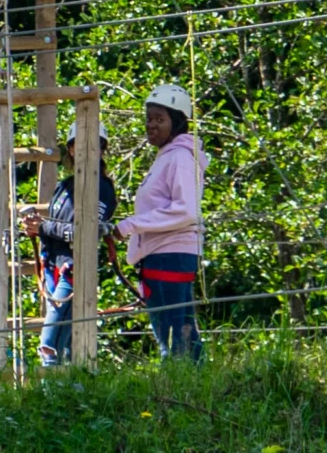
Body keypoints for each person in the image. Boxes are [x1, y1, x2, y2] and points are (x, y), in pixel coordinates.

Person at [17, 124, 121, 369]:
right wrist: (35, 227)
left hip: (73, 269)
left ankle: (52, 397)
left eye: (93, 146)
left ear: (101, 150)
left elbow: (85, 232)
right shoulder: (65, 186)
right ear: (71, 149)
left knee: (49, 345)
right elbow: (57, 226)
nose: (85, 151)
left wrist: (42, 227)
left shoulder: (102, 188)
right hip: (53, 266)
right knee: (63, 344)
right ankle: (64, 396)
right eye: (78, 145)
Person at [114, 82, 205, 362]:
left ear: (177, 122)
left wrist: (130, 225)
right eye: (149, 119)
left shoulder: (179, 157)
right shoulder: (167, 157)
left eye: (160, 119)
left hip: (171, 253)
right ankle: (189, 388)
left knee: (175, 337)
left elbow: (186, 211)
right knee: (176, 334)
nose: (151, 125)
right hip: (161, 254)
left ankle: (179, 393)